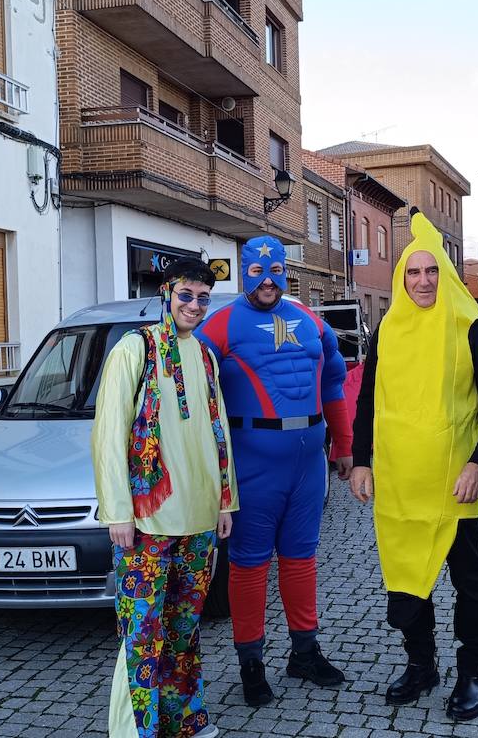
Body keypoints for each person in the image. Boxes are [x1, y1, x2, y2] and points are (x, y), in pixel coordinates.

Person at [348, 210, 478, 721]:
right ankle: (421, 664)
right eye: (413, 272)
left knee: (469, 580)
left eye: (431, 270)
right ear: (400, 278)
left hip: (455, 483)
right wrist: (361, 461)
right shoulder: (387, 330)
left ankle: (470, 671)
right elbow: (367, 398)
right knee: (408, 575)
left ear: (446, 272)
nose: (423, 281)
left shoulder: (473, 330)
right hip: (399, 481)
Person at [196, 236, 352, 706]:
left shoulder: (311, 322)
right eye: (257, 271)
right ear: (243, 272)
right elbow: (190, 388)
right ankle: (251, 662)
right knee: (249, 562)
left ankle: (304, 651)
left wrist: (343, 444)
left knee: (302, 556)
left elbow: (333, 382)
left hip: (307, 460)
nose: (267, 280)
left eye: (276, 271)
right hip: (252, 460)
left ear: (286, 271)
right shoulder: (218, 326)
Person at [92, 256, 238, 738]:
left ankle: (185, 724)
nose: (194, 305)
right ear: (166, 294)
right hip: (146, 521)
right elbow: (109, 434)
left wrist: (224, 502)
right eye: (186, 295)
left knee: (185, 631)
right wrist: (117, 510)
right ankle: (137, 731)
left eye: (202, 297)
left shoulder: (205, 355)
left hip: (198, 518)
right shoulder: (134, 350)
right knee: (143, 635)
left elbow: (219, 434)